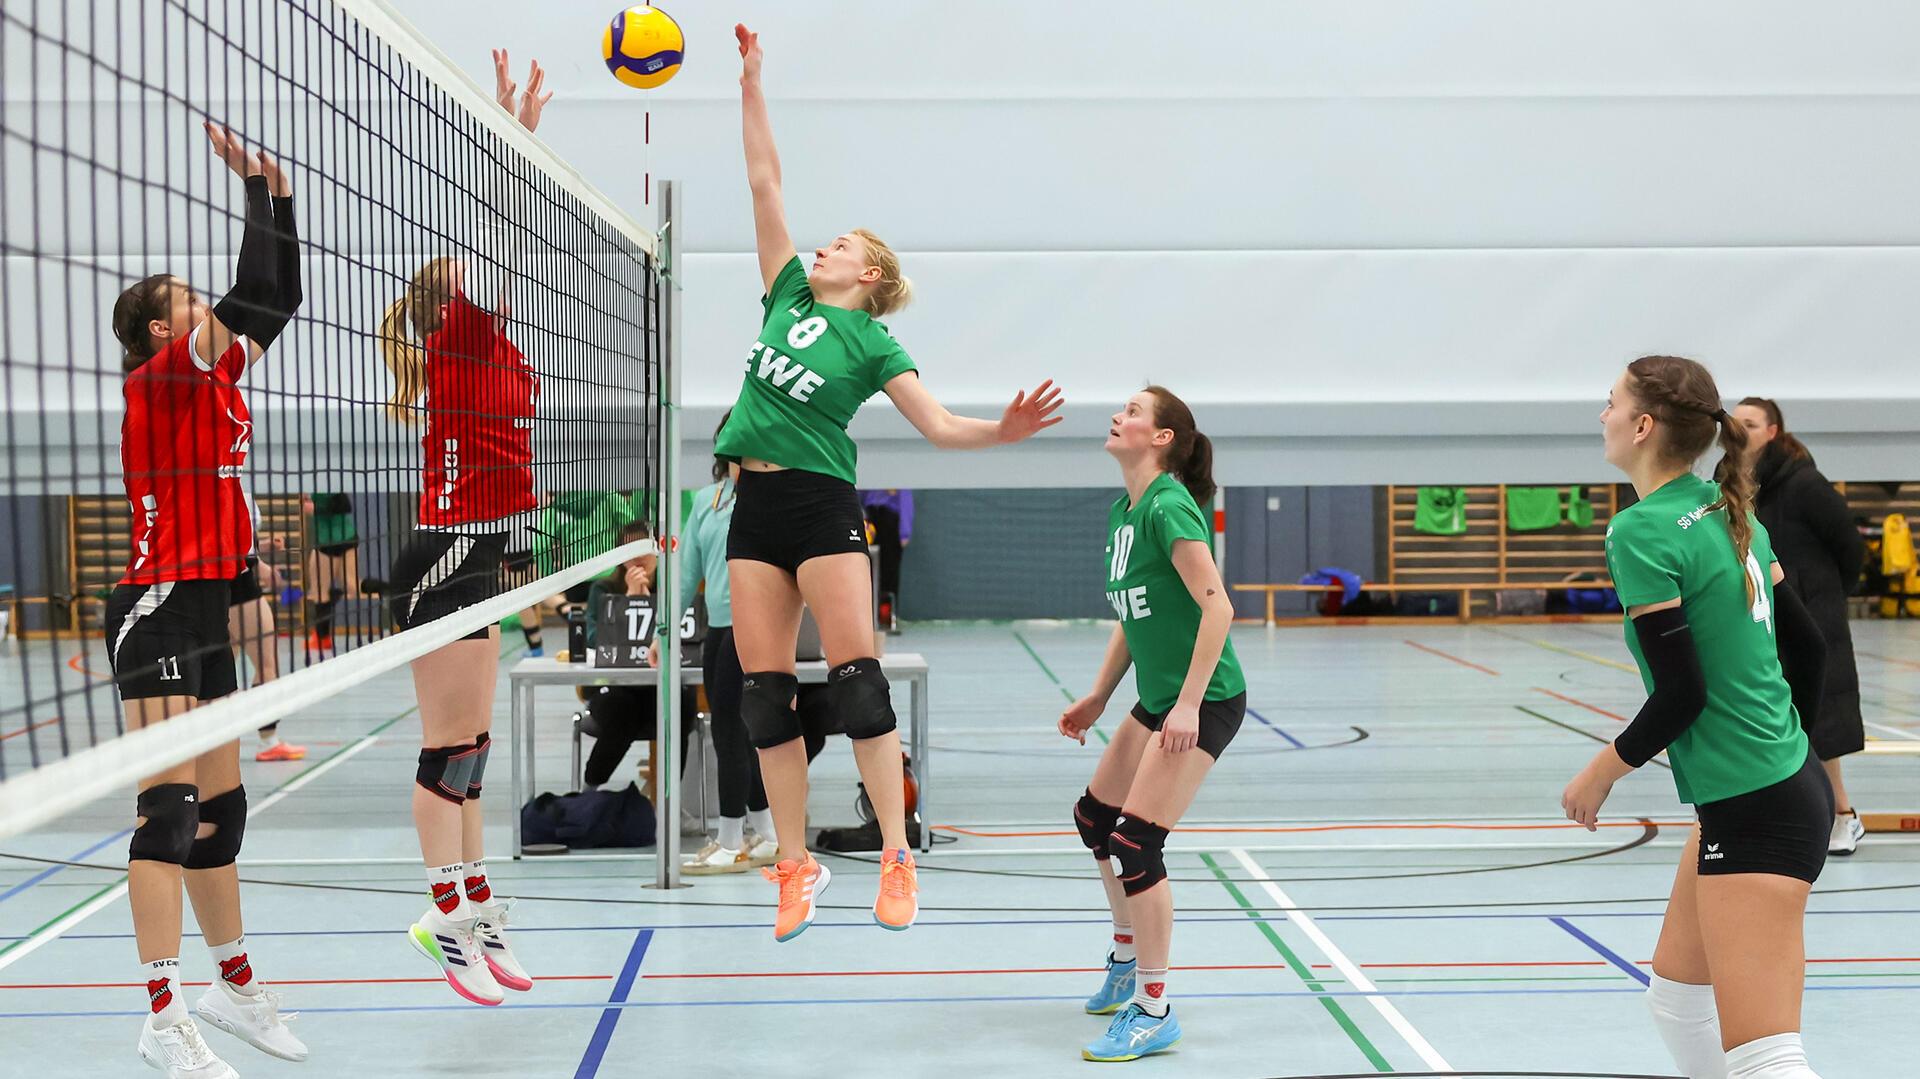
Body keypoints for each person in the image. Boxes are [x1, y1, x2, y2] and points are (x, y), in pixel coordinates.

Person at [719, 23, 1064, 941]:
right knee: (762, 697)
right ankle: (795, 865)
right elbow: (764, 182)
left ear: (866, 274)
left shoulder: (871, 339)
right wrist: (753, 81)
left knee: (861, 685)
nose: (820, 245)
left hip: (822, 506)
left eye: (840, 244)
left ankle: (896, 851)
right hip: (753, 507)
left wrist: (1007, 429)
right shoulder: (788, 293)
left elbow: (942, 425)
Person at [1562, 356, 1832, 1079]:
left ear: (1643, 425)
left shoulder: (1642, 531)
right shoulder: (1724, 507)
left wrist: (1600, 772)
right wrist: (1784, 749)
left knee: (1767, 1055)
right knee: (1678, 998)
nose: (1602, 414)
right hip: (1766, 786)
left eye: (1610, 401)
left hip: (1759, 801)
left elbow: (1683, 693)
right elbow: (1807, 650)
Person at [105, 122, 306, 1078]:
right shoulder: (161, 377)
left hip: (211, 603)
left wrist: (273, 192)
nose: (206, 311)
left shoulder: (215, 377)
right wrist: (252, 200)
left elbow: (281, 295)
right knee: (170, 814)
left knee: (222, 814)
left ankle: (233, 984)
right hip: (157, 608)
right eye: (184, 302)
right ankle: (159, 1012)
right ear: (160, 327)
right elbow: (249, 296)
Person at [375, 49, 548, 1007]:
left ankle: (477, 913)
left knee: (475, 755)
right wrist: (514, 137)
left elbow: (505, 256)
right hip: (442, 557)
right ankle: (443, 918)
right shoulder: (461, 335)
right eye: (466, 277)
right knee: (446, 756)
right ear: (449, 306)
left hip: (483, 554)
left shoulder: (497, 343)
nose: (483, 282)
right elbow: (504, 240)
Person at [1057, 388, 1243, 1063]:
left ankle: (1154, 1008)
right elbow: (1135, 616)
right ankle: (1127, 956)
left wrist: (1189, 704)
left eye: (1134, 410)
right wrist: (1101, 696)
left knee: (1136, 844)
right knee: (1094, 819)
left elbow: (1217, 609)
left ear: (1162, 438)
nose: (1119, 415)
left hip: (1207, 695)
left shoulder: (1168, 506)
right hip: (1155, 693)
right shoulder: (1124, 511)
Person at [1722, 398, 1869, 855]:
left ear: (1772, 431)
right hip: (1757, 618)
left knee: (1821, 721)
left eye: (1751, 422)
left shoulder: (1805, 483)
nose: (1740, 429)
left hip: (1812, 619)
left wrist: (1822, 594)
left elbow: (1851, 548)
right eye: (1735, 421)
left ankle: (1843, 816)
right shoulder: (1722, 482)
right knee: (1768, 719)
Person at [678, 421, 779, 873]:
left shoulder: (776, 495)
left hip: (759, 628)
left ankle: (730, 838)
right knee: (733, 731)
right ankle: (766, 835)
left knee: (735, 732)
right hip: (718, 630)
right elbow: (687, 571)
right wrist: (663, 629)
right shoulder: (707, 500)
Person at [577, 521, 699, 790]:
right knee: (623, 710)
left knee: (680, 704)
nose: (638, 559)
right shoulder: (603, 589)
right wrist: (629, 603)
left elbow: (689, 637)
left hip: (663, 685)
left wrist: (648, 605)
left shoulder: (674, 588)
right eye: (629, 551)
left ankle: (669, 798)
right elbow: (594, 640)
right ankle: (590, 789)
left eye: (644, 550)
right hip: (616, 687)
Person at [229, 504, 304, 762]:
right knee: (266, 665)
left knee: (221, 670)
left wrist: (262, 549)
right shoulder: (235, 485)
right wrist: (259, 566)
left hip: (221, 585)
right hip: (240, 588)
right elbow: (232, 542)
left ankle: (209, 742)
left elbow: (234, 540)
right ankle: (269, 741)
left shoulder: (225, 481)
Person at [860, 488, 912, 629]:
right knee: (866, 569)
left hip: (889, 519)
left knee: (889, 571)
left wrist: (904, 533)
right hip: (869, 519)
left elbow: (905, 500)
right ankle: (866, 617)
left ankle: (887, 616)